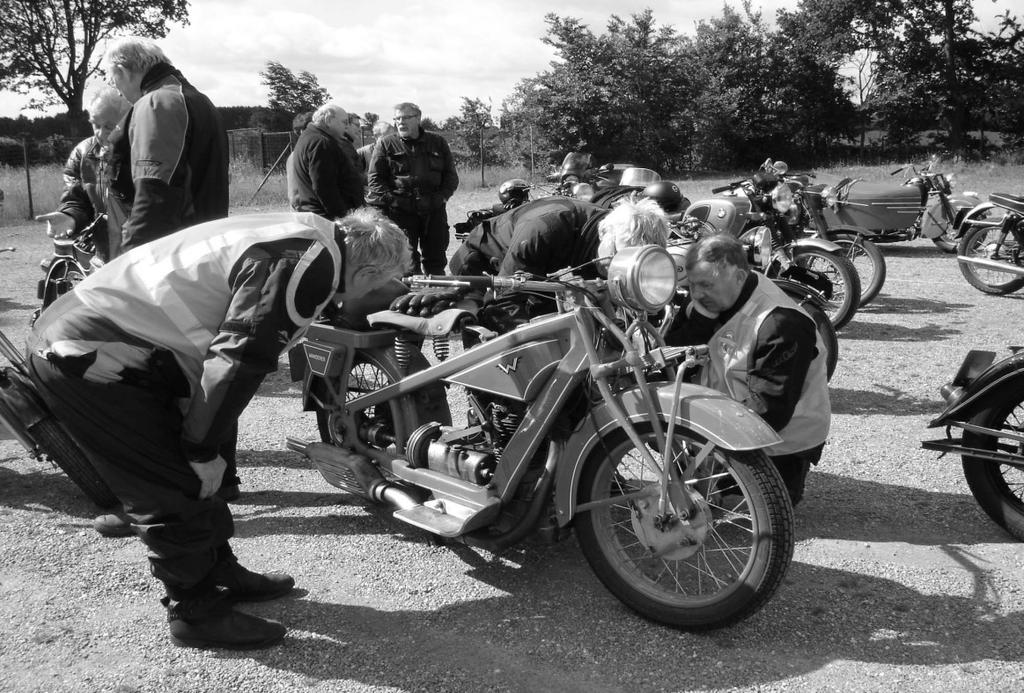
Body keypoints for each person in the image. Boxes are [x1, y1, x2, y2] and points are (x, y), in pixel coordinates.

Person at [26, 208, 411, 650]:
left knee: (207, 463)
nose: (377, 292)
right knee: (171, 480)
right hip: (90, 353)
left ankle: (218, 569)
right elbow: (241, 356)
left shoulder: (314, 233)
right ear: (363, 269)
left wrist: (211, 445)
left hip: (117, 337)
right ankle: (195, 614)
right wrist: (200, 449)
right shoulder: (305, 264)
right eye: (378, 283)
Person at [665, 233, 830, 506]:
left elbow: (769, 412)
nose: (696, 295)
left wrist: (706, 447)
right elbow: (671, 353)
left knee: (758, 505)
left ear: (740, 277)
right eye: (691, 285)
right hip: (726, 415)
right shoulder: (707, 301)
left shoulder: (780, 323)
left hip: (782, 441)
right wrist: (700, 324)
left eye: (706, 285)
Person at [100, 36, 228, 254]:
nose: (118, 91)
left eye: (113, 81)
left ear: (122, 71)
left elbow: (155, 189)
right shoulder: (201, 100)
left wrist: (132, 253)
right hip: (206, 242)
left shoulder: (158, 103)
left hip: (172, 250)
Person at [34, 86, 131, 262]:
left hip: (143, 251)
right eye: (95, 124)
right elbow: (77, 199)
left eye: (109, 127)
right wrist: (69, 215)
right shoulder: (83, 153)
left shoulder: (146, 151)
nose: (100, 134)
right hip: (104, 252)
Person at [368, 102, 459, 275]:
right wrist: (393, 201)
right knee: (407, 260)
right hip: (401, 211)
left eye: (405, 118)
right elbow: (375, 179)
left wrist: (442, 198)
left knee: (436, 257)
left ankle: (437, 294)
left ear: (418, 118)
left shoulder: (437, 142)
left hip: (434, 209)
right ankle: (411, 297)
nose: (400, 122)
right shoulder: (386, 144)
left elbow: (451, 176)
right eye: (397, 119)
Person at [289, 103, 365, 220]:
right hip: (327, 220)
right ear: (329, 120)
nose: (346, 127)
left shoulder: (310, 137)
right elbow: (324, 187)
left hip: (322, 216)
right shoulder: (321, 142)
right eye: (344, 122)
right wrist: (343, 218)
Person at [356, 120, 394, 185]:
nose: (391, 140)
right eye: (387, 137)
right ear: (376, 136)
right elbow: (353, 175)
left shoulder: (396, 151)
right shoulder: (362, 153)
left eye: (393, 136)